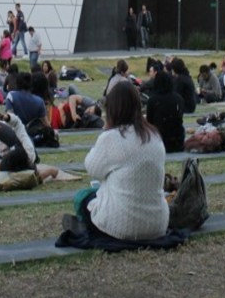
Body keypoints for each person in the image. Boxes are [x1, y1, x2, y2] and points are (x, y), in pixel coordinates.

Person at [79, 83, 169, 241]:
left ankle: (85, 225)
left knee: (82, 198)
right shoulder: (154, 135)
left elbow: (92, 168)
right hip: (158, 224)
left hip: (122, 226)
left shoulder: (112, 137)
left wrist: (105, 130)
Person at [145, 70, 185, 153]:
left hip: (159, 143)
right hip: (178, 142)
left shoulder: (152, 101)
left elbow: (150, 122)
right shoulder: (179, 99)